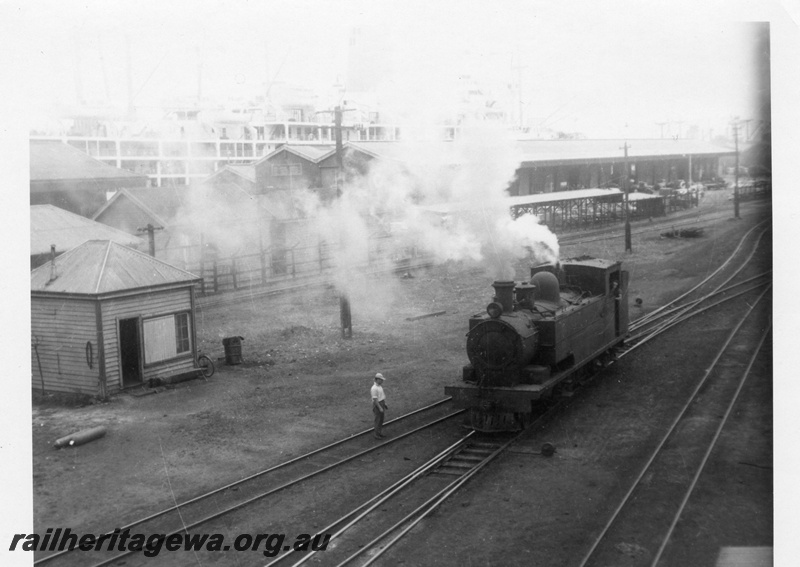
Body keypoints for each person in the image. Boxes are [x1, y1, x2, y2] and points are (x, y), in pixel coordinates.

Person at [371, 373, 388, 439]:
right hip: (378, 404)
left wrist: (384, 403)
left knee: (381, 419)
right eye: (381, 380)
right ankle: (376, 434)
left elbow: (381, 396)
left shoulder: (379, 386)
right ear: (377, 379)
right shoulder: (374, 388)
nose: (382, 381)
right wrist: (380, 407)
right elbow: (375, 400)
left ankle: (379, 432)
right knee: (378, 420)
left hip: (381, 403)